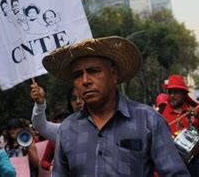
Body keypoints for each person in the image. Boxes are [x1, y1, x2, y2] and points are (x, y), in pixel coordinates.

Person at [42, 36, 189, 176]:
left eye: (93, 71)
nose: (85, 80)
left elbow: (175, 173)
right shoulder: (67, 129)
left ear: (113, 75)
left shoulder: (148, 120)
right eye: (78, 75)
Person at [162, 74, 199, 176]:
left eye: (176, 92)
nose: (172, 95)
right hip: (176, 164)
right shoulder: (163, 115)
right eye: (170, 92)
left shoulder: (197, 108)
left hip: (197, 161)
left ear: (184, 94)